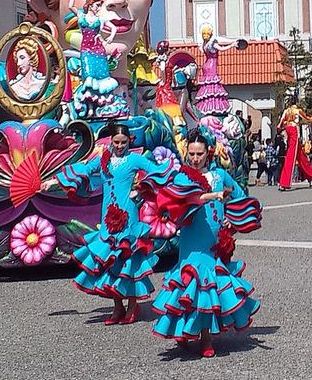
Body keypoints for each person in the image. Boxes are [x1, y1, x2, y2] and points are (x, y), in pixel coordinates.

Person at [151, 130, 262, 358]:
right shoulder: (182, 177)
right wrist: (214, 196)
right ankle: (200, 335)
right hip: (192, 240)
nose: (195, 158)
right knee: (194, 284)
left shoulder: (220, 175)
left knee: (210, 286)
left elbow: (239, 195)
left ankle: (204, 335)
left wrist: (233, 219)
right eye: (191, 154)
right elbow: (182, 201)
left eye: (199, 154)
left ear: (208, 153)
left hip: (214, 240)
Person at [49, 123, 162, 325]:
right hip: (108, 215)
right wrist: (53, 182)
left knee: (128, 258)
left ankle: (132, 305)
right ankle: (117, 306)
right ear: (111, 141)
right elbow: (84, 169)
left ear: (129, 141)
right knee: (109, 259)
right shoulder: (104, 160)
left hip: (128, 214)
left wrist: (141, 190)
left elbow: (157, 172)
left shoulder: (134, 159)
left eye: (123, 142)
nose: (119, 146)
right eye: (116, 142)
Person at [277, 103, 312, 191]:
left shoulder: (286, 111)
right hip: (294, 131)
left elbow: (279, 125)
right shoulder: (297, 110)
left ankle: (311, 176)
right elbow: (307, 119)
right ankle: (285, 182)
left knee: (300, 156)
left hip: (288, 130)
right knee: (291, 157)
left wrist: (284, 126)